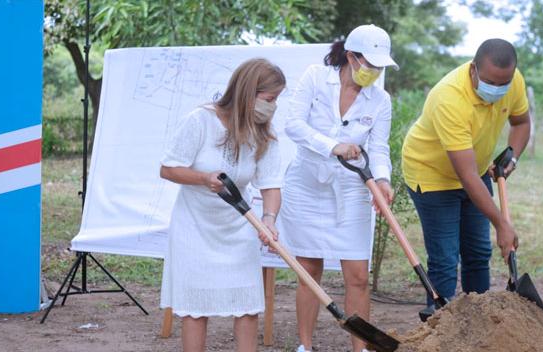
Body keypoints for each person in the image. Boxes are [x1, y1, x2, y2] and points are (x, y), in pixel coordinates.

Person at [278, 24, 397, 352]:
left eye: (379, 67)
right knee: (309, 268)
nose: (373, 72)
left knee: (357, 274)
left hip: (351, 188)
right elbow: (294, 125)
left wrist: (383, 181)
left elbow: (381, 148)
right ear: (351, 57)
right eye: (369, 64)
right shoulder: (316, 77)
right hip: (306, 184)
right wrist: (334, 146)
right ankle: (305, 345)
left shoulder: (380, 100)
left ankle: (360, 350)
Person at [159, 58, 285, 352]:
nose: (273, 106)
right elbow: (168, 169)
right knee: (195, 308)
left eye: (277, 100)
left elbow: (271, 183)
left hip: (240, 225)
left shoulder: (264, 133)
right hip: (194, 226)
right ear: (248, 92)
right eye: (269, 99)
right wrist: (204, 178)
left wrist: (268, 219)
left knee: (247, 306)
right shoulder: (200, 120)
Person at [401, 38, 531, 316]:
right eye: (490, 82)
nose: (497, 89)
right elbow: (467, 176)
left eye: (503, 84)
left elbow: (521, 122)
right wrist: (502, 224)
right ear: (473, 69)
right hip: (432, 174)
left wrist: (512, 155)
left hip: (476, 169)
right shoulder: (449, 97)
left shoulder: (514, 81)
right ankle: (440, 329)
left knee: (478, 253)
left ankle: (478, 322)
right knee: (446, 258)